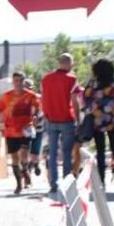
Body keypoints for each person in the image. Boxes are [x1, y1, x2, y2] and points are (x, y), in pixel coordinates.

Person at [40, 53, 81, 193]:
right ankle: (67, 182)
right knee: (67, 152)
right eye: (72, 63)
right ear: (68, 63)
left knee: (52, 152)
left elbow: (43, 98)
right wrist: (78, 119)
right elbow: (75, 101)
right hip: (66, 119)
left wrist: (45, 115)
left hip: (50, 119)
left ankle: (53, 183)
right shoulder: (71, 79)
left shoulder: (46, 79)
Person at [0, 72, 40, 195]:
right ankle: (19, 183)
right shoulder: (6, 96)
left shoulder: (30, 96)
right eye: (16, 81)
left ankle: (24, 170)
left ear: (23, 82)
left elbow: (38, 109)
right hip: (11, 132)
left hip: (25, 130)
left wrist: (36, 117)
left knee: (24, 155)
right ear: (13, 82)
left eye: (20, 80)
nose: (18, 83)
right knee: (14, 159)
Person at [73, 57, 114, 183]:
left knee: (100, 152)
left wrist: (96, 110)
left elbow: (86, 99)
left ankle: (101, 181)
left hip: (97, 121)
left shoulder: (92, 84)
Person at [24, 78, 45, 179]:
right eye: (26, 88)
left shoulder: (39, 98)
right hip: (24, 130)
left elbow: (44, 112)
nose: (28, 90)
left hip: (38, 129)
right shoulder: (19, 99)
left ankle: (34, 164)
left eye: (30, 88)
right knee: (24, 152)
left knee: (34, 153)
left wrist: (38, 118)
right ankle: (27, 174)